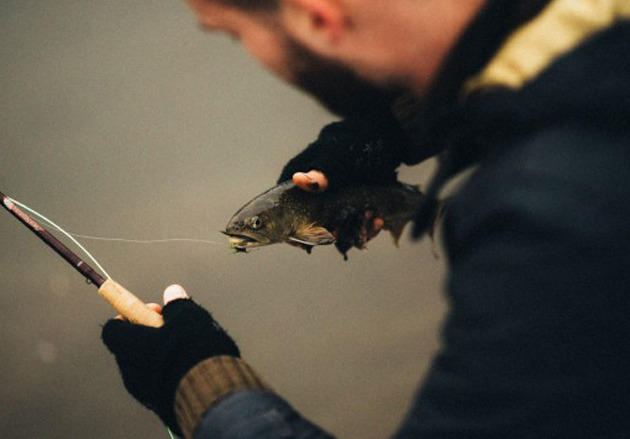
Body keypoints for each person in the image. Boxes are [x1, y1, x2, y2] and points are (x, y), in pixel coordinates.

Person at [101, 0, 630, 438]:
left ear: (318, 16)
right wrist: (385, 133)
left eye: (234, 35)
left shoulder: (552, 227)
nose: (252, 54)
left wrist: (197, 381)